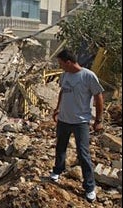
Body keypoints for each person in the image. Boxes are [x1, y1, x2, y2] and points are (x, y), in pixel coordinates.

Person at [50, 49, 104, 203]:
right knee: (60, 147)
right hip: (64, 120)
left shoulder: (88, 76)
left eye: (61, 64)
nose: (60, 67)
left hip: (81, 122)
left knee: (83, 153)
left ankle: (89, 187)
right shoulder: (65, 75)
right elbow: (62, 91)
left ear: (69, 62)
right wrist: (58, 108)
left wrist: (98, 120)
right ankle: (57, 171)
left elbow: (98, 96)